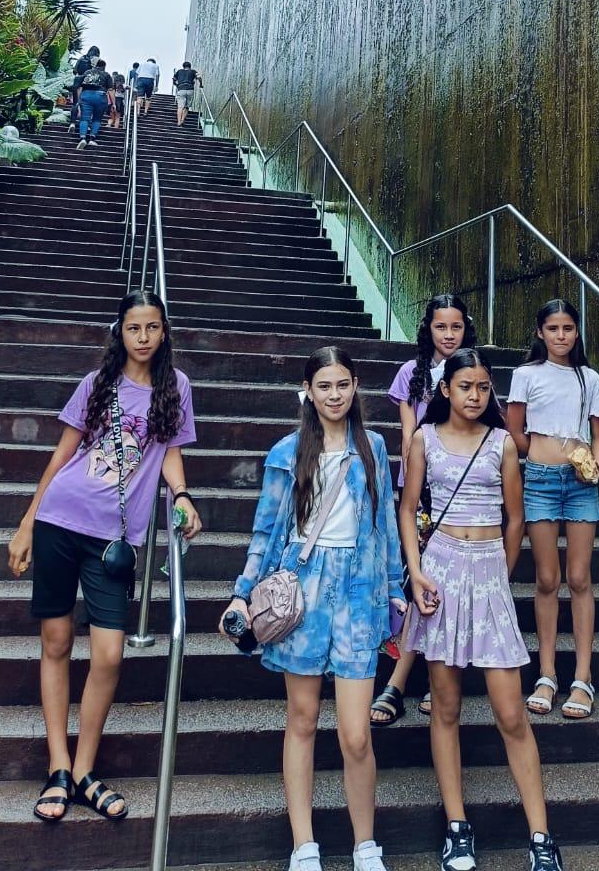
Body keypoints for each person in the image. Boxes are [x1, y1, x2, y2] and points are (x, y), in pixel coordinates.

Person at [7, 290, 201, 824]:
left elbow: (171, 455)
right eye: (134, 327)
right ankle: (59, 767)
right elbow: (63, 454)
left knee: (110, 653)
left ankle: (87, 769)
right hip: (59, 520)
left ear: (164, 333)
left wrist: (181, 496)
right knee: (57, 641)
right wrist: (27, 522)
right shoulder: (97, 385)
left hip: (114, 538)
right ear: (120, 331)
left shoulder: (175, 388)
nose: (144, 337)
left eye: (153, 327)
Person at [221, 345, 405, 871]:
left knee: (355, 732)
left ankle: (365, 844)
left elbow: (386, 526)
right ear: (309, 390)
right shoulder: (286, 452)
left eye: (342, 384)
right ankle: (304, 843)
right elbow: (266, 529)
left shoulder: (372, 446)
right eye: (324, 386)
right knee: (301, 719)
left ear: (355, 386)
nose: (334, 395)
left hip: (358, 591)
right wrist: (242, 589)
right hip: (301, 591)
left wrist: (395, 588)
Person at [401, 348, 564, 871]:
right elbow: (408, 510)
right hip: (442, 573)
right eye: (465, 386)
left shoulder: (502, 445)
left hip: (488, 573)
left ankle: (541, 837)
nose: (475, 395)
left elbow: (515, 519)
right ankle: (456, 827)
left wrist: (500, 569)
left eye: (483, 387)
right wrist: (418, 569)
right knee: (444, 707)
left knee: (511, 712)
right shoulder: (423, 440)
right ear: (445, 389)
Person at [372, 294, 474, 727]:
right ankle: (400, 681)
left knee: (448, 585)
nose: (449, 335)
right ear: (427, 328)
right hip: (422, 490)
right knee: (423, 580)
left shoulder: (472, 370)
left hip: (462, 494)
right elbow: (409, 433)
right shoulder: (410, 374)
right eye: (440, 327)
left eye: (455, 327)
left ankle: (424, 682)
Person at [506, 299, 599, 720]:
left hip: (581, 484)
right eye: (553, 328)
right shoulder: (526, 375)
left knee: (579, 577)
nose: (561, 335)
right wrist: (542, 455)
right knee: (546, 578)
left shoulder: (590, 378)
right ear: (540, 332)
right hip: (541, 481)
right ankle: (546, 673)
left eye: (568, 328)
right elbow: (515, 428)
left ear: (577, 331)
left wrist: (597, 467)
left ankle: (583, 677)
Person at [76, 58, 113, 150]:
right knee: (97, 119)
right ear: (104, 67)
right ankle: (92, 138)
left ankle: (83, 138)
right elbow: (111, 90)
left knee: (84, 118)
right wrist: (113, 103)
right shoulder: (107, 75)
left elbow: (79, 87)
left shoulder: (87, 72)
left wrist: (78, 100)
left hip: (86, 95)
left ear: (95, 65)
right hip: (100, 96)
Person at [67, 44, 100, 139]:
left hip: (78, 83)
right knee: (88, 106)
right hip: (88, 86)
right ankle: (88, 125)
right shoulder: (96, 60)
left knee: (76, 103)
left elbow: (74, 70)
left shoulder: (81, 58)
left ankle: (72, 123)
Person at [172, 60, 200, 127]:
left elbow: (173, 79)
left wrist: (176, 85)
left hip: (181, 89)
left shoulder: (179, 71)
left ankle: (178, 122)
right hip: (190, 90)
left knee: (180, 107)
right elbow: (199, 77)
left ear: (183, 66)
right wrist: (201, 84)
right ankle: (182, 120)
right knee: (186, 107)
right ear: (190, 67)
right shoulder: (193, 71)